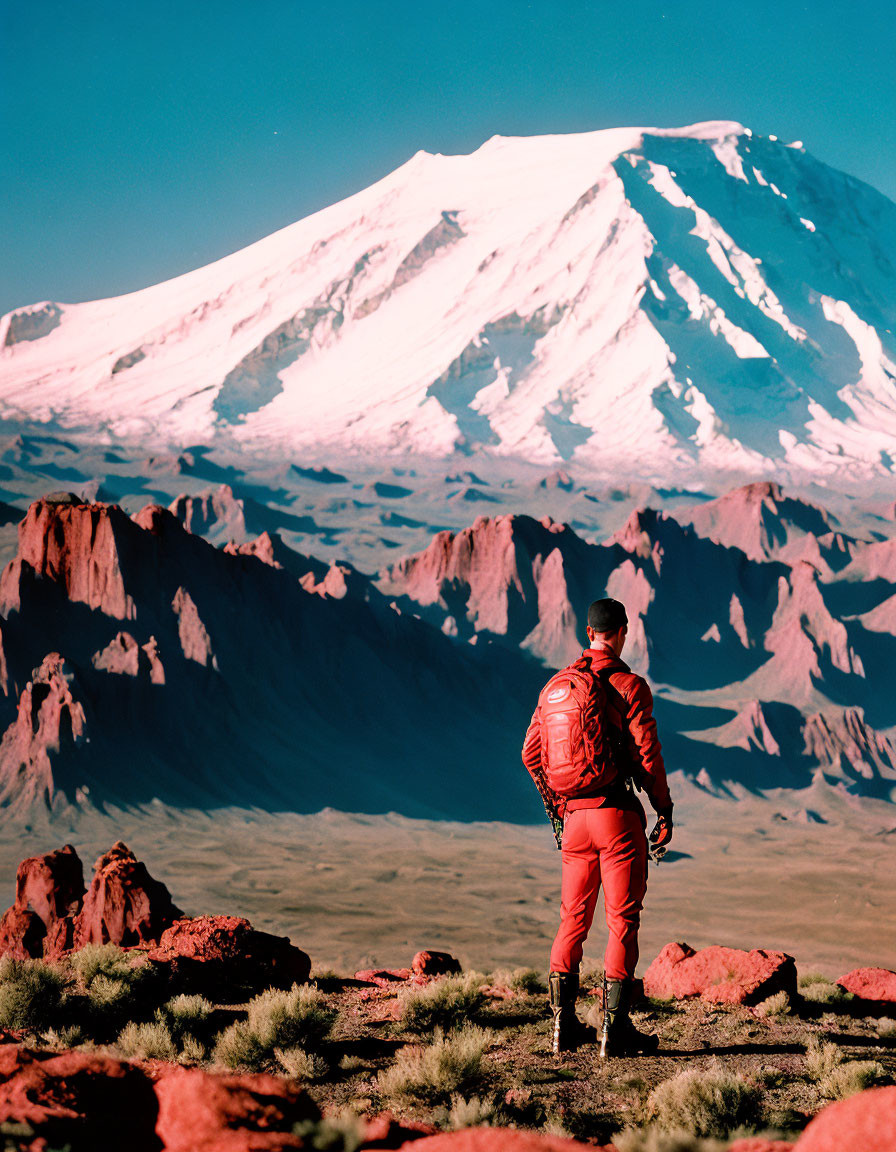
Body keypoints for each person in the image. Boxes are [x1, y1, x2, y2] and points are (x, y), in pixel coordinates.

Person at [521, 597, 673, 1057]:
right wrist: (663, 808)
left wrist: (557, 808)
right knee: (622, 921)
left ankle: (562, 1029)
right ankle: (614, 1032)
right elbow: (647, 756)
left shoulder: (556, 687)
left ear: (588, 633)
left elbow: (531, 753)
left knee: (573, 919)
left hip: (575, 822)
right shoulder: (630, 684)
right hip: (617, 817)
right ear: (622, 631)